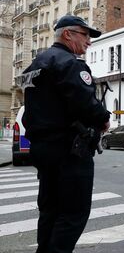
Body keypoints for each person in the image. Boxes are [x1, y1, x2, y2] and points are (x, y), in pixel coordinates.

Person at [20, 15, 110, 253]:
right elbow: (85, 103)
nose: (89, 41)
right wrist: (104, 118)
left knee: (50, 209)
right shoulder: (70, 64)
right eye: (85, 35)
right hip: (69, 150)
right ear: (68, 34)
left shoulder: (35, 65)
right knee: (73, 213)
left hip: (43, 148)